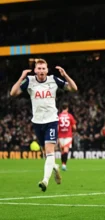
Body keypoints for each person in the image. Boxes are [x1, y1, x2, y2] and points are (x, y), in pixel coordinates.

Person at [10, 59, 78, 192]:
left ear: (47, 70)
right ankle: (55, 167)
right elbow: (13, 93)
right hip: (37, 122)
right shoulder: (29, 81)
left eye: (43, 68)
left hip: (51, 121)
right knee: (46, 155)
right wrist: (21, 77)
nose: (41, 71)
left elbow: (74, 88)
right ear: (35, 70)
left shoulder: (54, 80)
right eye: (39, 68)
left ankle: (45, 181)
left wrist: (65, 76)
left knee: (49, 151)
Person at [58, 102, 76, 171]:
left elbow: (57, 127)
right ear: (67, 108)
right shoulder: (70, 116)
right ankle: (64, 165)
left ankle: (63, 164)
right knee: (66, 150)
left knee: (62, 151)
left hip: (60, 136)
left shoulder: (59, 116)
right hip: (68, 135)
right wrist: (71, 129)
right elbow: (74, 127)